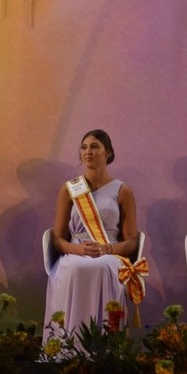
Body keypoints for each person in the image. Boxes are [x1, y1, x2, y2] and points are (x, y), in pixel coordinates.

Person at [43, 129, 139, 341]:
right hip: (75, 252)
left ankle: (106, 346)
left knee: (103, 267)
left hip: (110, 253)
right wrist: (77, 249)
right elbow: (57, 238)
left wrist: (108, 249)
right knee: (77, 267)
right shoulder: (69, 189)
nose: (88, 152)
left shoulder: (122, 190)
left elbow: (132, 241)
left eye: (95, 146)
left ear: (108, 153)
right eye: (84, 147)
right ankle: (68, 344)